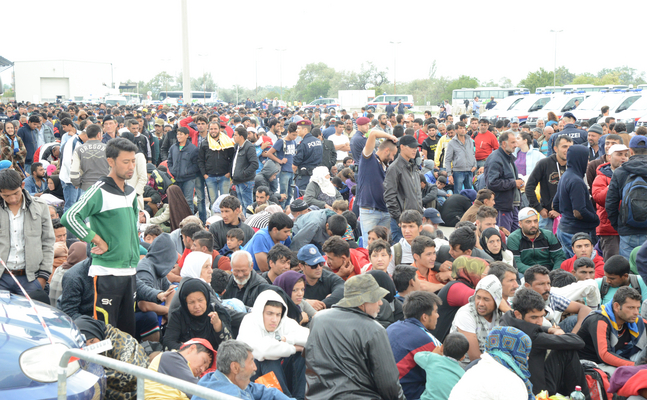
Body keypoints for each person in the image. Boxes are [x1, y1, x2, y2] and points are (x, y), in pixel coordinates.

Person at [61, 138, 140, 336]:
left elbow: (131, 232)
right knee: (105, 333)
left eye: (133, 161)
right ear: (110, 161)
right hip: (107, 273)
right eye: (126, 162)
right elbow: (69, 216)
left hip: (130, 272)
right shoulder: (99, 189)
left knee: (127, 333)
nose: (131, 167)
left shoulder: (131, 192)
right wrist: (96, 239)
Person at [304, 274, 406, 400]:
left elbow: (310, 361)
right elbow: (388, 383)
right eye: (376, 298)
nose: (380, 302)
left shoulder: (319, 319)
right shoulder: (374, 329)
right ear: (362, 301)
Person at [501, 288, 590, 398]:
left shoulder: (506, 320)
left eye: (542, 316)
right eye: (534, 317)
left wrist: (549, 330)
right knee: (567, 350)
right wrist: (557, 332)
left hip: (517, 385)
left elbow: (533, 327)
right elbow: (578, 342)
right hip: (537, 392)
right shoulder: (531, 338)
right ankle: (583, 397)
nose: (540, 322)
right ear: (518, 314)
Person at [237, 290, 309, 399]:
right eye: (269, 313)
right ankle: (285, 398)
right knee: (268, 359)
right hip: (251, 377)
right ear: (260, 312)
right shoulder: (249, 321)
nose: (274, 319)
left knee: (302, 354)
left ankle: (299, 398)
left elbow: (309, 337)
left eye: (278, 314)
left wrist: (287, 339)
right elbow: (262, 351)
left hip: (277, 378)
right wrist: (293, 348)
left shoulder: (284, 322)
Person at [0, 168, 55, 295]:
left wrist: (42, 278)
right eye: (6, 196)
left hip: (30, 279)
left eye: (16, 193)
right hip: (2, 277)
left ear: (23, 185)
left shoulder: (40, 207)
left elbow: (48, 242)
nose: (13, 199)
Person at [448, 326, 534, 400]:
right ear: (515, 352)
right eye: (524, 353)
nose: (527, 358)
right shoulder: (509, 379)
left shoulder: (476, 369)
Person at [75, 316, 149, 400]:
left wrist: (90, 374)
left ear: (96, 332)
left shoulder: (118, 339)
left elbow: (131, 375)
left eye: (92, 341)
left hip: (141, 390)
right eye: (85, 345)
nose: (91, 347)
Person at [577, 287, 647, 374]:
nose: (636, 312)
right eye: (631, 307)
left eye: (637, 308)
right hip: (590, 365)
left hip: (615, 360)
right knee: (626, 374)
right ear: (616, 306)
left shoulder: (634, 319)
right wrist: (635, 366)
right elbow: (604, 355)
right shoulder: (600, 320)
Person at [387, 291, 443, 400]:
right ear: (425, 317)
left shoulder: (391, 327)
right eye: (436, 311)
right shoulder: (428, 341)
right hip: (409, 395)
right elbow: (444, 374)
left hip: (383, 391)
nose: (438, 315)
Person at [193, 340, 292, 400]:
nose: (255, 367)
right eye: (251, 362)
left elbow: (268, 393)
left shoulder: (213, 377)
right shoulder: (232, 395)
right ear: (235, 367)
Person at [553, 145, 599, 258]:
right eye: (586, 158)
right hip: (576, 233)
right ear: (579, 159)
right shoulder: (576, 181)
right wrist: (595, 218)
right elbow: (579, 212)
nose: (588, 162)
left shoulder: (565, 176)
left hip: (564, 229)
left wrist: (567, 213)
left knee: (571, 267)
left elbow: (555, 204)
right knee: (583, 266)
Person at [431, 256, 490, 342]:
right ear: (473, 272)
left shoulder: (469, 285)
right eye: (485, 274)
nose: (488, 278)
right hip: (440, 343)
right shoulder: (455, 287)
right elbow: (487, 301)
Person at [606, 135, 647, 258]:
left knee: (628, 273)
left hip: (627, 230)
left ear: (631, 151)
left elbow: (610, 203)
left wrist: (619, 226)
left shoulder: (620, 171)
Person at [164, 278, 232, 351]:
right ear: (185, 303)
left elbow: (229, 345)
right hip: (187, 359)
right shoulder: (178, 316)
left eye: (200, 300)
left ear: (206, 298)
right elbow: (168, 342)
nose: (197, 306)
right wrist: (193, 351)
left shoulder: (217, 312)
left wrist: (218, 325)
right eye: (191, 302)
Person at [356, 128, 398, 247]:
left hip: (385, 211)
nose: (392, 158)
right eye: (393, 154)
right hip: (369, 211)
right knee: (369, 246)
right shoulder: (369, 159)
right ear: (386, 150)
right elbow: (373, 133)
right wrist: (389, 136)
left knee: (383, 246)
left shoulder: (385, 166)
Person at [450, 275, 504, 363]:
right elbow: (475, 358)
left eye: (486, 299)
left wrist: (509, 311)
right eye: (478, 297)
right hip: (466, 367)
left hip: (493, 364)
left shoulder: (502, 314)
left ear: (496, 301)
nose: (481, 303)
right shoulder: (466, 313)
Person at [524, 265, 592, 334]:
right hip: (532, 337)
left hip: (553, 334)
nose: (547, 288)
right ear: (527, 286)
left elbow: (585, 309)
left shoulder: (550, 297)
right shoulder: (520, 301)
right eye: (541, 284)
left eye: (548, 283)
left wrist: (573, 335)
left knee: (576, 319)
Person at [145, 338, 217, 400]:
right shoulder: (170, 357)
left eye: (206, 368)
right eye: (204, 361)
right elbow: (199, 391)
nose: (202, 369)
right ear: (192, 349)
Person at [526, 134, 572, 231]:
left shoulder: (573, 165)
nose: (567, 150)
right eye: (564, 147)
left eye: (570, 147)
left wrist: (561, 211)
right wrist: (539, 209)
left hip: (568, 215)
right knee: (546, 244)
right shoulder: (544, 164)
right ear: (555, 148)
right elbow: (529, 187)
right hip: (548, 216)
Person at [592, 143, 629, 261]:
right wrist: (613, 184)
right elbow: (599, 198)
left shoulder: (631, 175)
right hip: (610, 229)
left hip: (629, 227)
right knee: (613, 264)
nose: (623, 157)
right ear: (609, 157)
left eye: (625, 155)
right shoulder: (601, 177)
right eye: (619, 154)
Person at [384, 135, 423, 243]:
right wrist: (399, 218)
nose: (415, 150)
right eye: (412, 147)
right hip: (402, 222)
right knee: (400, 255)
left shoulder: (413, 166)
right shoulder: (395, 168)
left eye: (416, 147)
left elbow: (417, 194)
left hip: (415, 219)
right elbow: (389, 195)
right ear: (402, 147)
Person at [484, 131, 523, 232]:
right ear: (504, 144)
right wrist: (514, 183)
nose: (516, 145)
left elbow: (508, 178)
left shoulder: (508, 157)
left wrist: (517, 182)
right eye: (513, 142)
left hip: (512, 205)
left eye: (516, 142)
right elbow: (492, 183)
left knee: (515, 236)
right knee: (504, 236)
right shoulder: (495, 159)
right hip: (502, 206)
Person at [507, 207, 566, 273]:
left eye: (535, 221)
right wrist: (536, 273)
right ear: (520, 224)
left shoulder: (548, 235)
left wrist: (554, 273)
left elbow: (559, 257)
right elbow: (516, 263)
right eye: (528, 222)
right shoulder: (513, 238)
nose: (533, 225)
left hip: (549, 271)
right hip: (525, 273)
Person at [414, 332, 469, 400]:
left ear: (441, 347)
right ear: (463, 357)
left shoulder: (433, 359)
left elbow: (417, 356)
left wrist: (433, 354)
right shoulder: (463, 374)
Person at [296, 244, 345, 310]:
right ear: (301, 266)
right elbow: (285, 295)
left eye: (320, 263)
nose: (318, 268)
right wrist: (306, 302)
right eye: (314, 265)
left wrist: (322, 304)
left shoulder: (329, 276)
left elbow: (343, 289)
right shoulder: (293, 280)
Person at [198, 120, 235, 206]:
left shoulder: (227, 142)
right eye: (211, 129)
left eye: (215, 129)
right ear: (208, 129)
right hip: (210, 176)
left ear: (219, 129)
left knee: (225, 201)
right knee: (213, 202)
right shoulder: (205, 143)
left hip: (224, 175)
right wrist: (204, 175)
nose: (213, 131)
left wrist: (229, 173)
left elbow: (232, 158)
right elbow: (200, 160)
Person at [167, 127, 200, 212]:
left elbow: (196, 165)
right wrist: (172, 170)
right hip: (176, 178)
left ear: (186, 135)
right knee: (177, 201)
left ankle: (191, 221)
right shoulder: (173, 148)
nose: (179, 136)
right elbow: (169, 161)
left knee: (188, 201)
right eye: (178, 134)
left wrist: (187, 171)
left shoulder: (193, 149)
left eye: (181, 134)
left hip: (188, 179)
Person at [70, 124, 110, 192]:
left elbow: (74, 173)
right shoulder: (108, 149)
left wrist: (79, 184)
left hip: (86, 187)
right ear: (99, 134)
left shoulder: (78, 150)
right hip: (105, 186)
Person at [231, 126, 259, 210]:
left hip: (246, 181)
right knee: (240, 205)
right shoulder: (237, 146)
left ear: (241, 137)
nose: (234, 137)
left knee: (248, 206)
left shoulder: (249, 147)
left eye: (235, 135)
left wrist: (244, 174)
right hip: (238, 181)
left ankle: (248, 222)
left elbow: (254, 164)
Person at [445, 122, 476, 193]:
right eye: (460, 128)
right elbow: (447, 160)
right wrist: (449, 174)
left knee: (470, 192)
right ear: (456, 130)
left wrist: (475, 165)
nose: (463, 130)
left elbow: (473, 153)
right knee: (458, 192)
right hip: (458, 171)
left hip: (469, 170)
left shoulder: (470, 140)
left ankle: (470, 204)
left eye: (464, 128)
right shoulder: (452, 143)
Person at [293, 120, 322, 193]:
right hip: (317, 174)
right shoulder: (318, 141)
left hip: (304, 176)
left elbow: (295, 163)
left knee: (302, 197)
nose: (296, 130)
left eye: (298, 128)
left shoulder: (303, 144)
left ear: (305, 129)